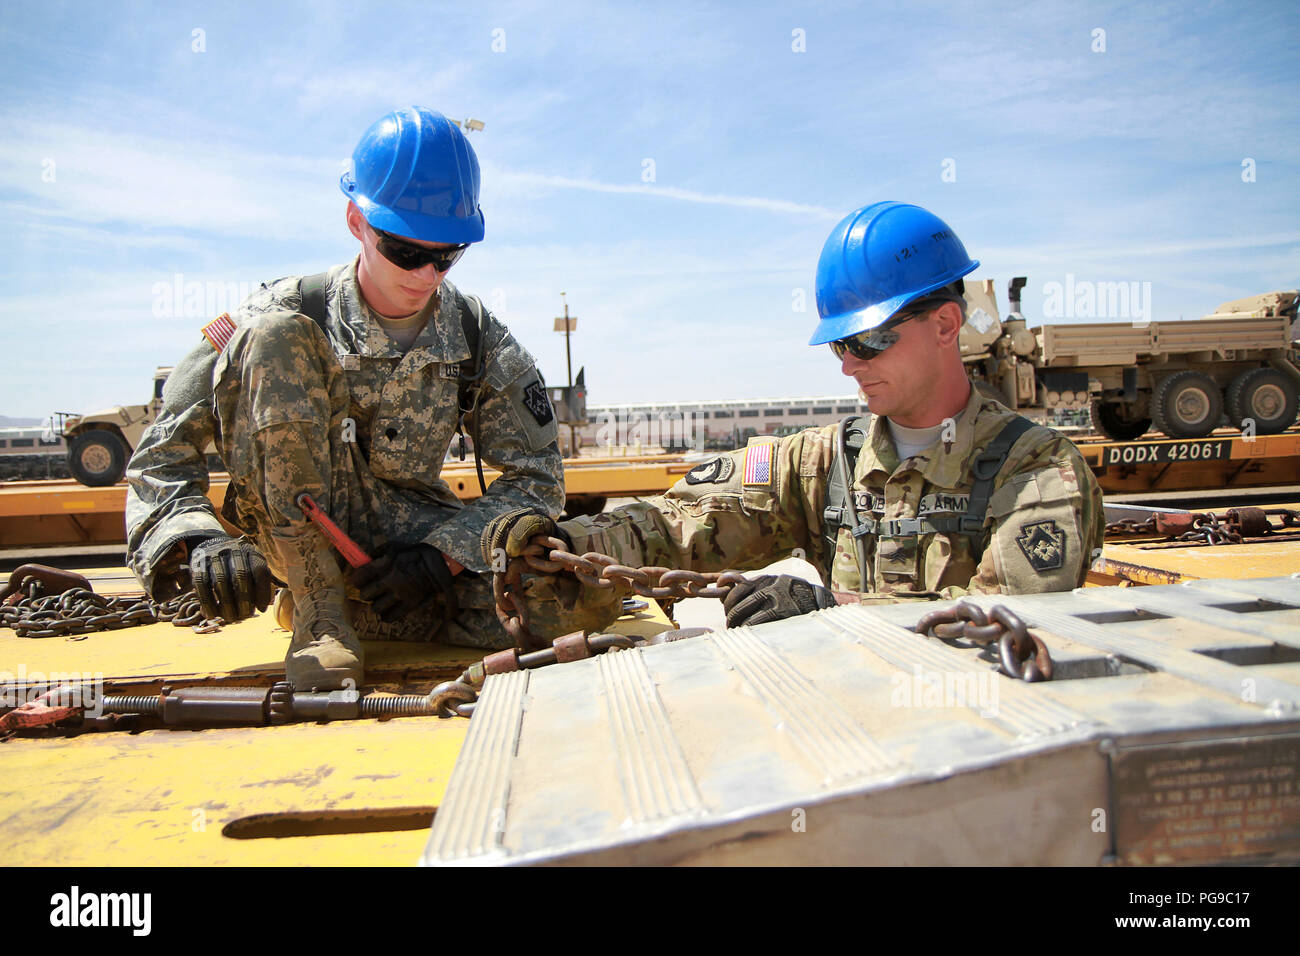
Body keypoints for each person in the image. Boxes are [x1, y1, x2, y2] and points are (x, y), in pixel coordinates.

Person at [484, 201, 1104, 629]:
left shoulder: (1038, 472)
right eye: (840, 345)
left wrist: (831, 617)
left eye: (869, 340)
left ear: (945, 324)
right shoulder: (825, 463)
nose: (849, 365)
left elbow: (1011, 633)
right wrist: (565, 542)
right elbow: (684, 523)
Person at [126, 107, 565, 689]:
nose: (427, 275)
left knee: (561, 605)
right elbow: (160, 457)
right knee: (275, 338)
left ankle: (363, 608)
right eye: (407, 252)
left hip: (411, 546)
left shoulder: (476, 335)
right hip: (296, 528)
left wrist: (442, 559)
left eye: (448, 254)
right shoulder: (278, 313)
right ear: (357, 221)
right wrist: (198, 537)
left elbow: (537, 474)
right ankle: (319, 610)